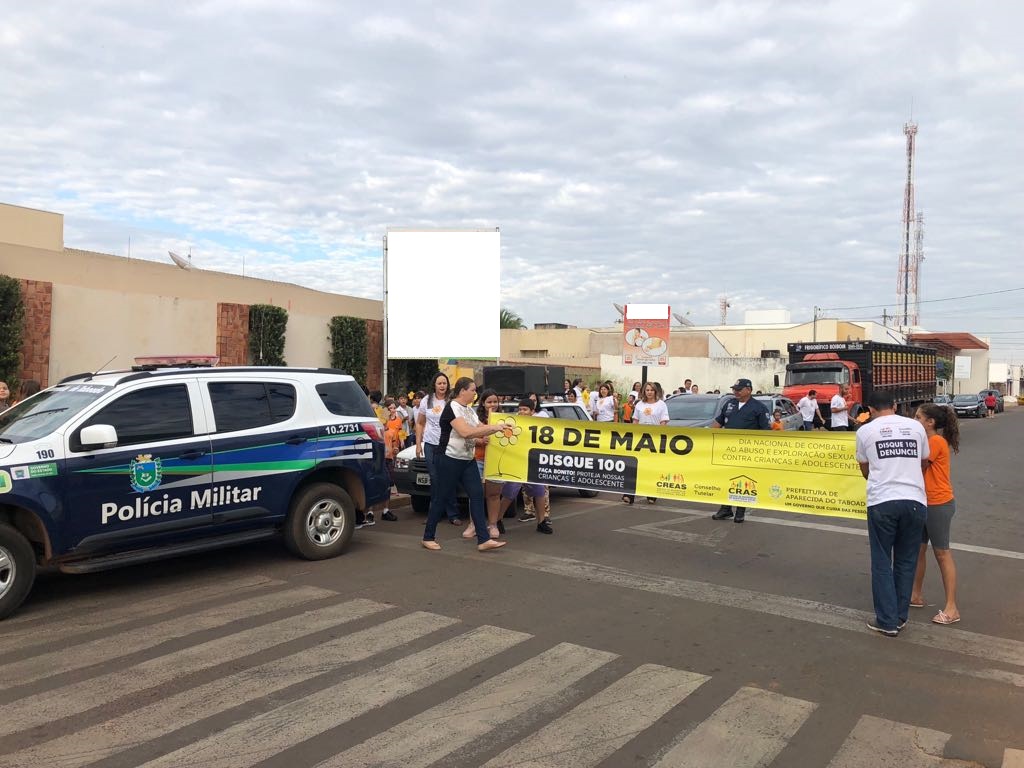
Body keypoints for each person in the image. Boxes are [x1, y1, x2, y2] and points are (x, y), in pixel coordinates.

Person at [855, 389, 929, 637]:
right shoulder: (916, 427)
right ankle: (899, 617)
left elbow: (865, 469)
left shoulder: (865, 431)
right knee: (906, 560)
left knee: (881, 561)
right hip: (915, 500)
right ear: (895, 406)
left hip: (882, 501)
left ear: (870, 410)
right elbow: (924, 461)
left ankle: (886, 621)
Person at [422, 378, 507, 552]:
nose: (475, 393)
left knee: (477, 494)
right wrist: (494, 428)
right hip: (448, 458)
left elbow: (480, 427)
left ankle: (483, 539)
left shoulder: (469, 410)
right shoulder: (452, 407)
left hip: (467, 459)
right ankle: (428, 537)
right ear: (462, 391)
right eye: (472, 390)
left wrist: (497, 427)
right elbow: (465, 432)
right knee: (441, 497)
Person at [911, 402, 961, 625]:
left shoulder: (935, 441)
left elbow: (918, 465)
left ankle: (952, 608)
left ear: (930, 422)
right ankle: (915, 595)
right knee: (918, 550)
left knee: (942, 554)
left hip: (938, 503)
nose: (914, 420)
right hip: (923, 501)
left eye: (918, 417)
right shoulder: (926, 440)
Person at [711, 378, 771, 523]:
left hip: (747, 452)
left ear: (748, 390)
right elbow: (718, 422)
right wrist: (707, 436)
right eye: (734, 389)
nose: (735, 392)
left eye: (739, 389)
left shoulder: (759, 408)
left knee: (743, 481)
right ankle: (725, 509)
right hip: (728, 450)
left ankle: (740, 511)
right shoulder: (729, 404)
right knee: (726, 478)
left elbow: (766, 432)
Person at [416, 372, 462, 525]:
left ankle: (453, 514)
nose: (442, 386)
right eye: (439, 383)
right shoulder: (427, 400)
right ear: (434, 385)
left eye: (444, 383)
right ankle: (434, 513)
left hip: (448, 444)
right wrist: (418, 444)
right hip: (430, 444)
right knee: (435, 479)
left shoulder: (452, 401)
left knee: (448, 478)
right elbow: (420, 423)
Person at [465, 388, 505, 540]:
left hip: (497, 462)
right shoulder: (475, 419)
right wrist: (481, 440)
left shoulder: (504, 419)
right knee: (475, 494)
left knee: (494, 494)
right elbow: (467, 436)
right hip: (478, 460)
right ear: (483, 403)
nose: (492, 404)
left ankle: (493, 525)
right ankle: (473, 524)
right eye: (489, 402)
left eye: (495, 401)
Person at [623, 382, 669, 505]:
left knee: (651, 468)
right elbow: (635, 421)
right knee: (635, 467)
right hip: (640, 440)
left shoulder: (661, 405)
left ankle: (651, 494)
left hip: (654, 440)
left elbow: (663, 422)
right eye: (647, 390)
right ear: (644, 391)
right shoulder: (639, 405)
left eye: (651, 390)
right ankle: (628, 495)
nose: (649, 392)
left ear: (655, 392)